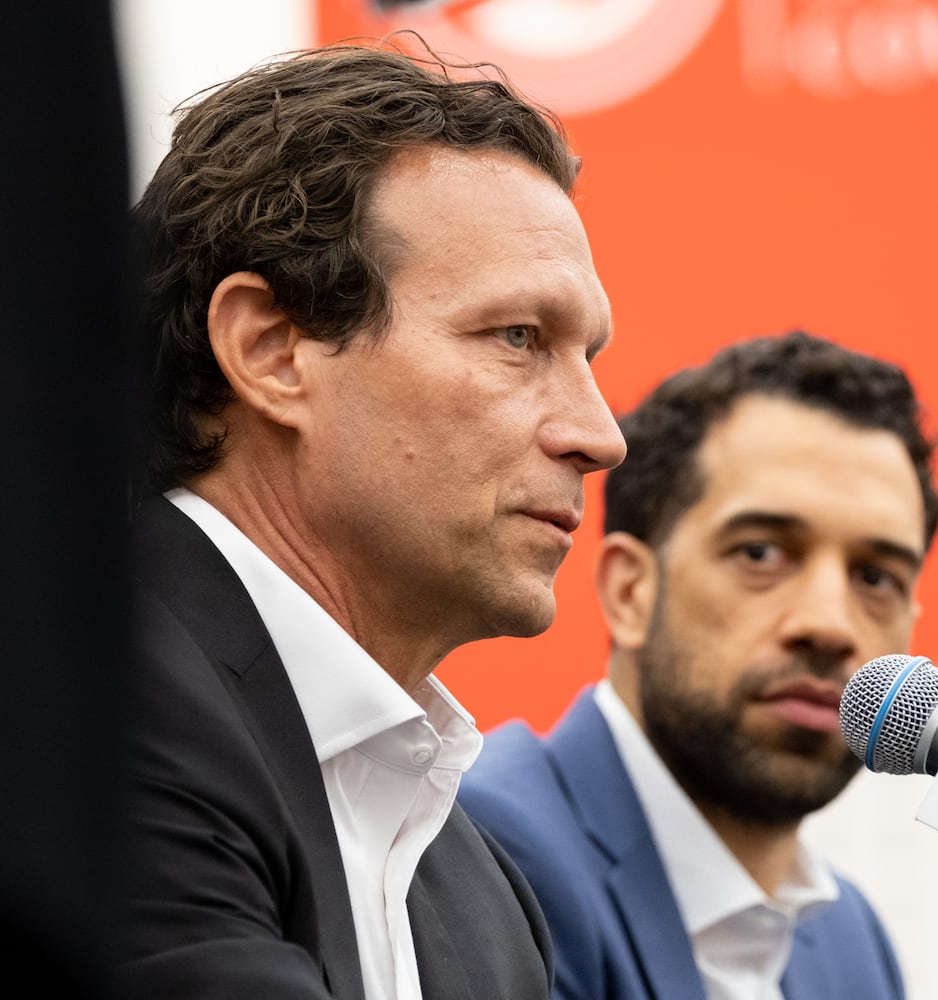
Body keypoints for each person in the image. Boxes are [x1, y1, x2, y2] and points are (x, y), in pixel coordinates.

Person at [119, 41, 626, 1000]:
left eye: (588, 354)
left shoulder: (486, 893)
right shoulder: (92, 704)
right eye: (518, 338)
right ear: (270, 351)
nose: (600, 437)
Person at [459, 332, 938, 1000]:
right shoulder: (489, 858)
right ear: (630, 592)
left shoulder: (852, 943)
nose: (830, 624)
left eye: (875, 576)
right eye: (762, 553)